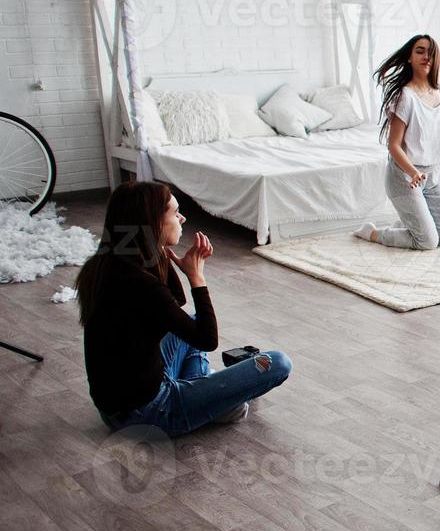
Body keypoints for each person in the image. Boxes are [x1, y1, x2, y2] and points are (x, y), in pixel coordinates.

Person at [78, 181, 291, 435]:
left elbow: (175, 303)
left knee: (188, 323)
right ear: (153, 222)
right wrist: (197, 278)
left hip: (116, 407)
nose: (182, 218)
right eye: (174, 212)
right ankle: (213, 402)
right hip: (147, 413)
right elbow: (207, 339)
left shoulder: (108, 263)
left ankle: (207, 397)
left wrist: (160, 248)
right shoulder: (142, 286)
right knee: (278, 362)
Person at [356, 34, 440, 249]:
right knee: (427, 242)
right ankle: (374, 233)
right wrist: (413, 172)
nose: (427, 56)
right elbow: (393, 145)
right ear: (409, 58)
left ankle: (413, 222)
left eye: (431, 52)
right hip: (405, 177)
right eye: (420, 51)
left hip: (434, 177)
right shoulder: (404, 96)